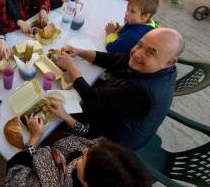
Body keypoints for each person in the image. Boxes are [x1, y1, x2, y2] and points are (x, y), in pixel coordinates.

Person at [52, 28, 184, 150]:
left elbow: (91, 97)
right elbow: (114, 59)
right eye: (140, 44)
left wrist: (71, 67)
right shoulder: (157, 66)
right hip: (117, 112)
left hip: (111, 142)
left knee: (55, 121)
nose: (137, 53)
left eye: (150, 53)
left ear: (170, 62)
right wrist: (79, 52)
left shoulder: (142, 93)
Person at [5, 114, 151, 187]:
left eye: (85, 159)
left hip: (33, 150)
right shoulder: (102, 153)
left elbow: (14, 172)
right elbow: (91, 136)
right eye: (93, 148)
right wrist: (66, 117)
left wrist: (35, 138)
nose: (85, 150)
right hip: (54, 140)